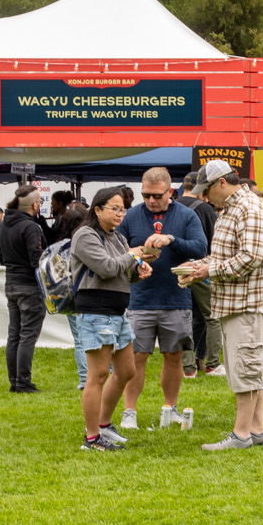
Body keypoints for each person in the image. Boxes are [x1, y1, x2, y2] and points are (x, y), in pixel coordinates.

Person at [174, 161, 263, 450]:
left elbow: (252, 257)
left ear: (222, 182)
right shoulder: (231, 209)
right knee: (251, 370)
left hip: (250, 306)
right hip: (242, 305)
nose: (206, 197)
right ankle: (257, 430)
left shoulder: (248, 207)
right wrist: (197, 266)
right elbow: (225, 256)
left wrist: (209, 271)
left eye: (207, 190)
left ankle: (241, 435)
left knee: (245, 372)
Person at [120, 167, 210, 431]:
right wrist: (136, 258)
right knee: (136, 358)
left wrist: (171, 240)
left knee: (174, 356)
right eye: (145, 194)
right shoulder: (132, 216)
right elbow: (118, 250)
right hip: (140, 300)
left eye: (156, 195)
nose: (150, 200)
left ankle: (170, 409)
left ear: (170, 192)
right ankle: (129, 412)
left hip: (176, 298)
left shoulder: (186, 215)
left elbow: (201, 247)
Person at [70, 185, 158, 452]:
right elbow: (107, 268)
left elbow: (123, 271)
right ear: (97, 210)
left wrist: (138, 269)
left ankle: (105, 425)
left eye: (123, 209)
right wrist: (133, 255)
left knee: (127, 371)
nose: (121, 214)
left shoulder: (116, 238)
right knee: (97, 375)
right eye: (115, 208)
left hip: (117, 313)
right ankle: (92, 438)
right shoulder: (85, 235)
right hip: (96, 312)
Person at [0, 184, 47, 392]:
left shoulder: (3, 225)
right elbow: (37, 260)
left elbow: (1, 257)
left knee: (14, 334)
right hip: (29, 285)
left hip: (11, 282)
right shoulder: (30, 227)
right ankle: (23, 382)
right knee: (28, 335)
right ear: (35, 205)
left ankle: (15, 381)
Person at [185, 180, 222, 377]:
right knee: (212, 315)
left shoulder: (171, 207)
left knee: (186, 316)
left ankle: (189, 366)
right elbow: (215, 243)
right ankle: (212, 364)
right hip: (202, 268)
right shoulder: (206, 210)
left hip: (178, 269)